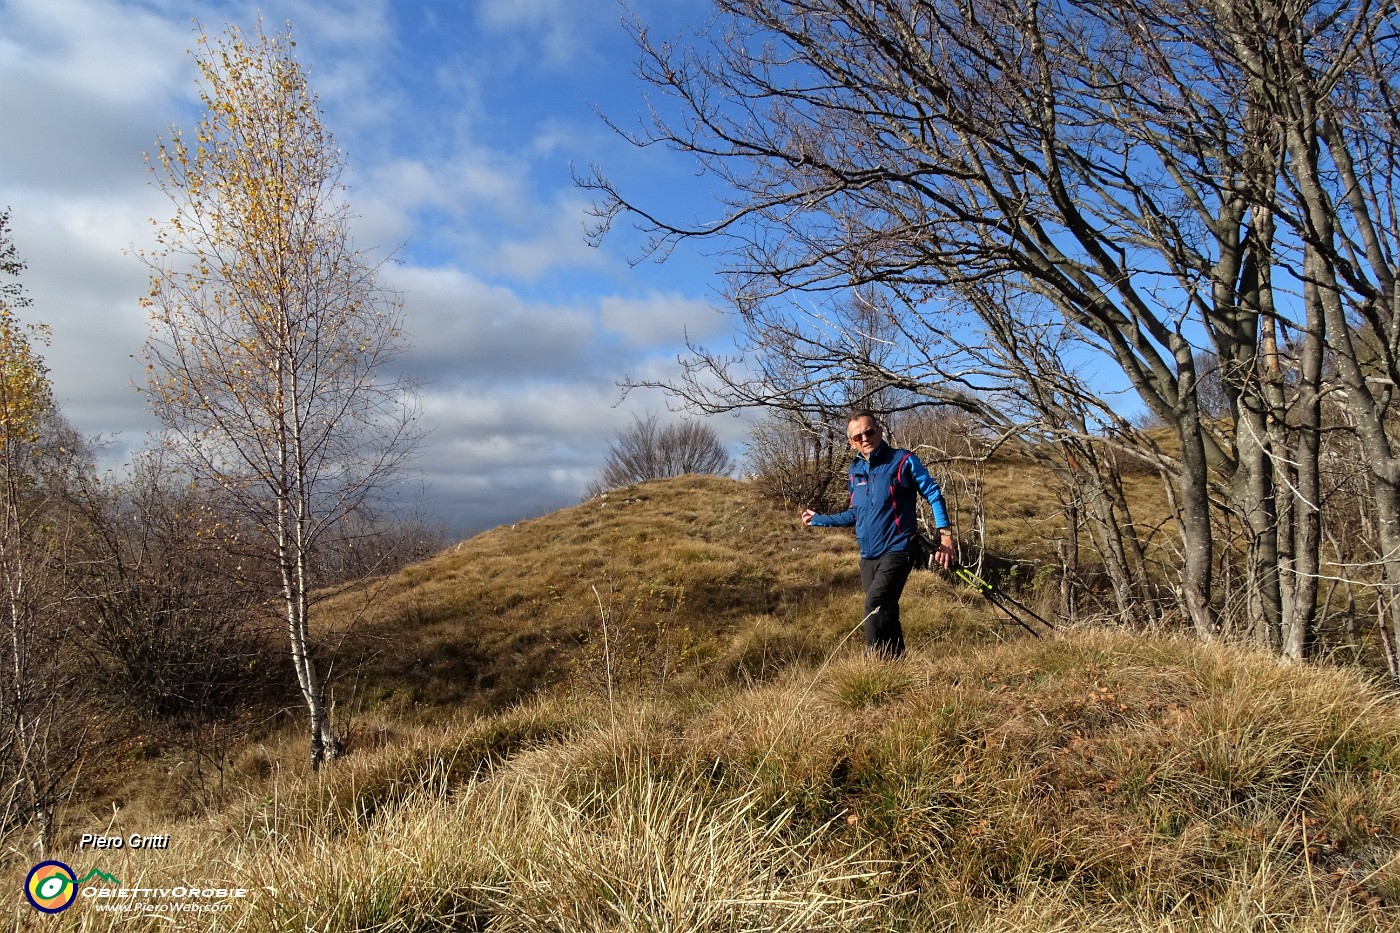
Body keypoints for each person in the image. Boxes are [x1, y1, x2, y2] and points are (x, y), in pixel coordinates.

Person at [802, 411, 955, 657]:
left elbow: (934, 494)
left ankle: (875, 669)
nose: (864, 438)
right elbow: (855, 514)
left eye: (868, 431)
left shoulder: (903, 460)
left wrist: (945, 535)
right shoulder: (855, 471)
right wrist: (818, 519)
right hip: (868, 556)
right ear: (851, 442)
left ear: (879, 431)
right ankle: (898, 669)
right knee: (886, 611)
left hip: (898, 549)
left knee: (874, 606)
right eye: (857, 436)